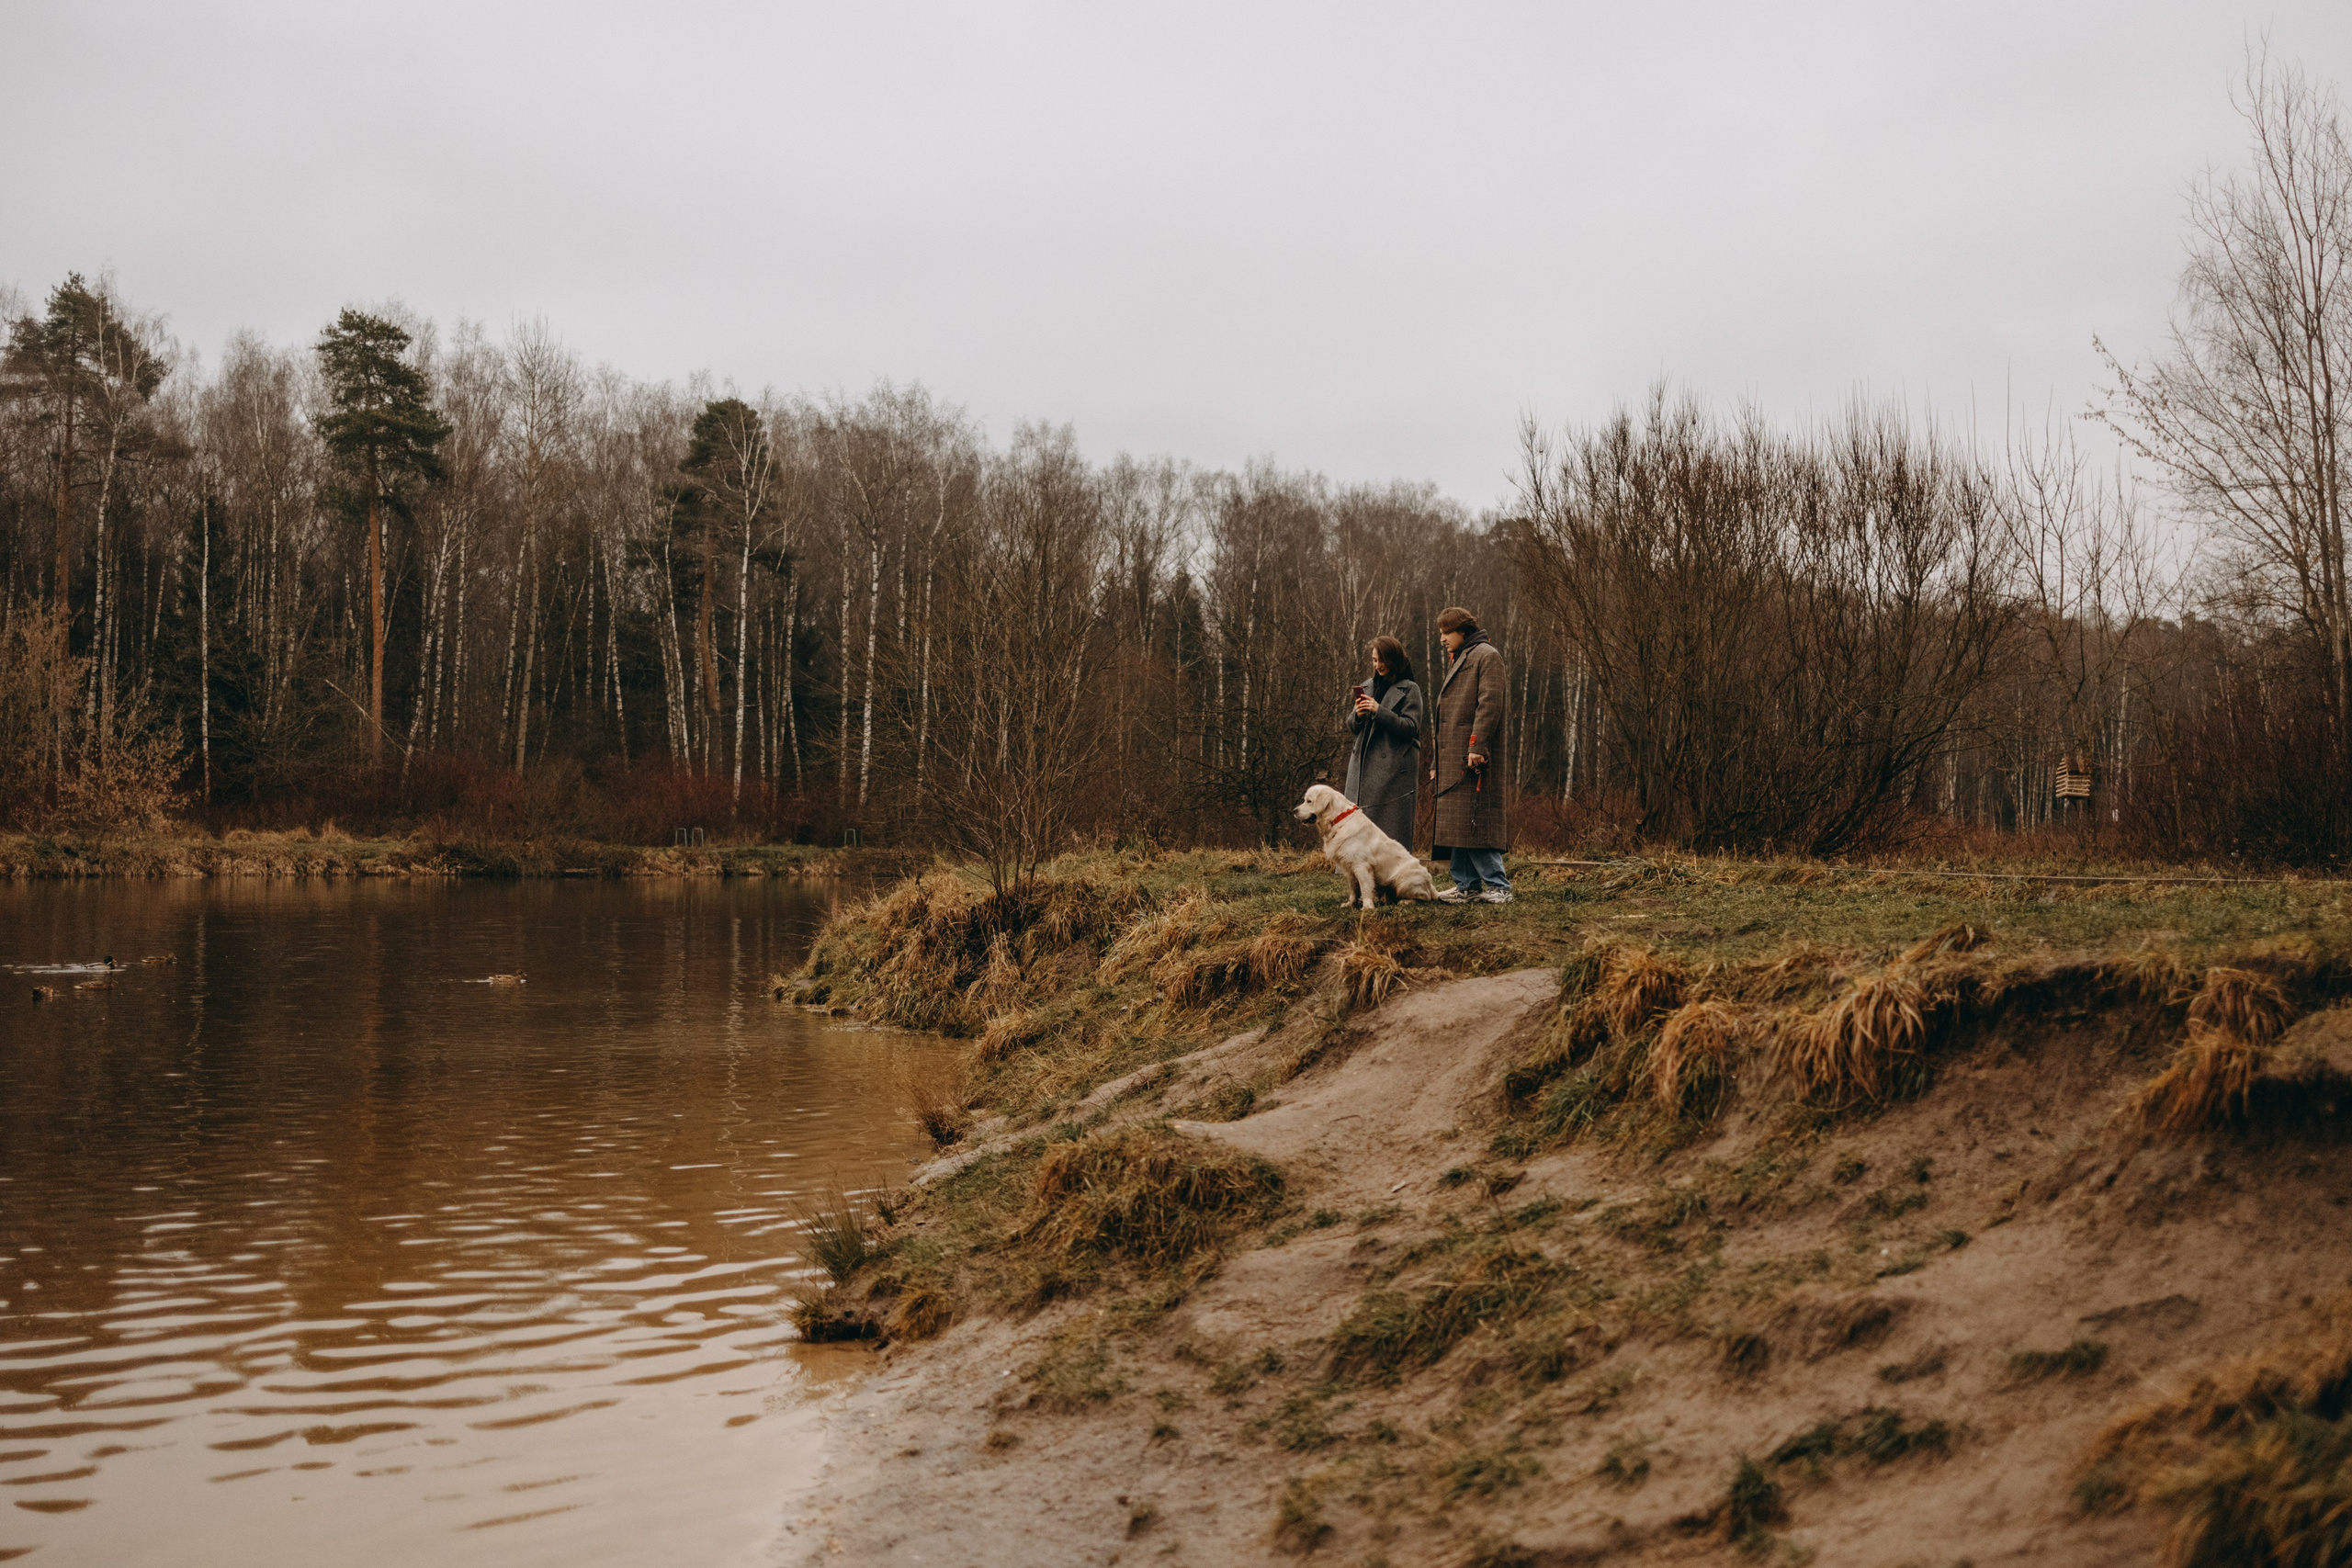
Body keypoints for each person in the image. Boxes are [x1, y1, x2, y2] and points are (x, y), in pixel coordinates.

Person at [1429, 604, 1511, 903]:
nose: (1442, 638)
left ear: (1462, 631)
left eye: (1446, 632)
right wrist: (1437, 762)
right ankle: (1466, 886)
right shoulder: (1462, 657)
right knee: (1458, 823)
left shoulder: (1487, 656)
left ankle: (1499, 886)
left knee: (1477, 820)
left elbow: (1489, 704)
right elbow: (1447, 718)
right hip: (1454, 758)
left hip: (1473, 756)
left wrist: (1477, 746)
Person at [1344, 635, 1422, 858]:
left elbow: (1411, 727)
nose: (1378, 666)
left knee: (1387, 834)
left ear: (1394, 660)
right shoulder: (1367, 686)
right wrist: (1358, 716)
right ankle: (1359, 881)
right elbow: (1351, 725)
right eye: (1374, 660)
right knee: (1359, 830)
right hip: (1362, 766)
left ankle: (1389, 881)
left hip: (1393, 772)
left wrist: (1380, 712)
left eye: (1382, 660)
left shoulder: (1410, 689)